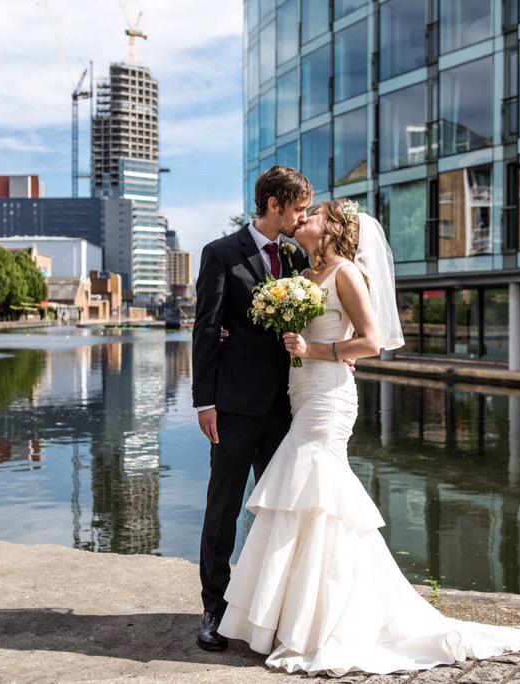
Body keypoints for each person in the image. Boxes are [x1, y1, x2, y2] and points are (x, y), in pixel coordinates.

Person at [216, 199, 520, 676]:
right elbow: (288, 340)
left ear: (334, 228)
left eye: (316, 214)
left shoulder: (345, 271)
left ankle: (322, 621)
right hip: (301, 391)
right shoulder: (305, 274)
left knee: (316, 493)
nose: (305, 217)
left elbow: (370, 342)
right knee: (306, 501)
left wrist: (315, 349)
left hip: (328, 397)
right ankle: (296, 617)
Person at [191, 165, 313, 651]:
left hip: (286, 407)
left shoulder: (295, 255)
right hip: (235, 406)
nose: (302, 216)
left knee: (279, 509)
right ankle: (214, 610)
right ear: (275, 203)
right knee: (222, 508)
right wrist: (206, 401)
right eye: (298, 207)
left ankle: (266, 609)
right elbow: (205, 329)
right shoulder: (220, 254)